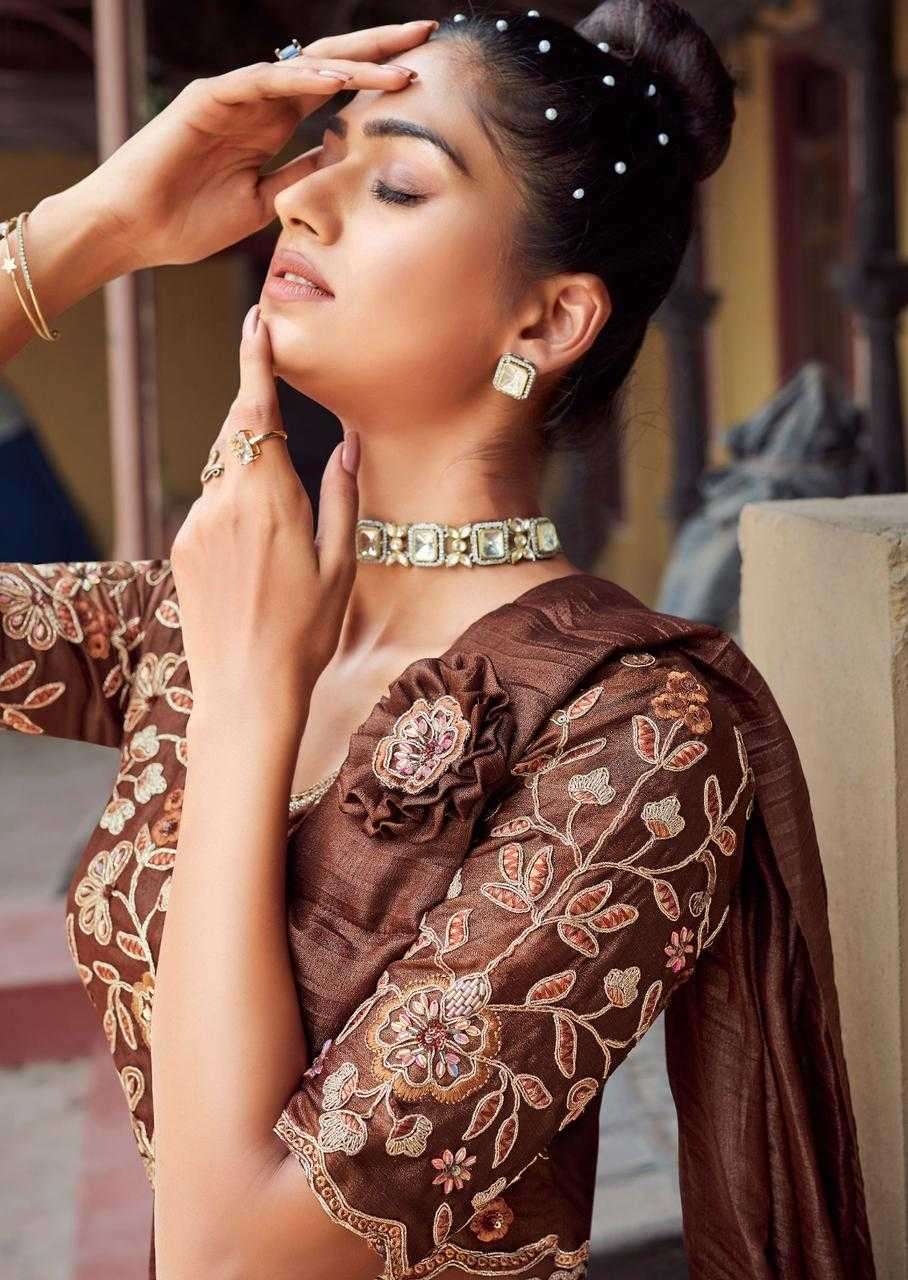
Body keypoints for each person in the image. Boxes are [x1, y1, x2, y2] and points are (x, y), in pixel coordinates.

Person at [0, 5, 876, 1279]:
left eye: (397, 182)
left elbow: (229, 1257)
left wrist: (245, 701)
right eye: (321, 151)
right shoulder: (219, 610)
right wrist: (96, 225)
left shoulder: (635, 738)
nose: (297, 199)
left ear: (547, 321)